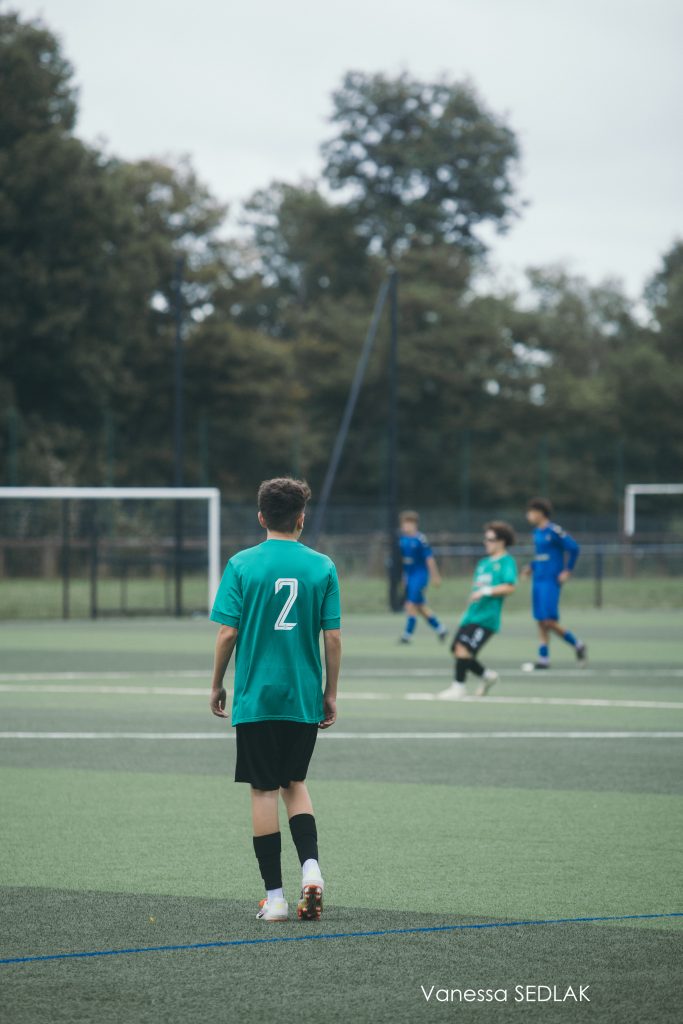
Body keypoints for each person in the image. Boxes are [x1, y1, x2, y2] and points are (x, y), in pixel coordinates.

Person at [209, 477, 342, 923]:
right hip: (303, 694)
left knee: (263, 789)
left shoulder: (242, 564)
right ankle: (313, 869)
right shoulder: (323, 566)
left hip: (256, 696)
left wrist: (216, 684)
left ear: (262, 516)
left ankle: (277, 899)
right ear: (301, 519)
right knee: (295, 784)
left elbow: (228, 632)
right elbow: (334, 637)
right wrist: (330, 692)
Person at [438, 521, 517, 699]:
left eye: (491, 539)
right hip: (472, 615)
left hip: (487, 618)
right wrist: (465, 613)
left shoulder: (506, 562)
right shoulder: (483, 563)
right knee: (456, 649)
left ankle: (458, 687)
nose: (486, 542)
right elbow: (476, 592)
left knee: (463, 649)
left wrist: (487, 591)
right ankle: (486, 676)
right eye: (486, 539)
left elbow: (510, 587)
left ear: (502, 541)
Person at [523, 497, 587, 669]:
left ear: (539, 513)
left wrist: (567, 570)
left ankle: (577, 644)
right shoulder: (537, 533)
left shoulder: (554, 531)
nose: (528, 516)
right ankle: (543, 658)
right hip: (538, 579)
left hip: (551, 580)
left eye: (530, 512)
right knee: (540, 620)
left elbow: (574, 548)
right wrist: (531, 567)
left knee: (549, 621)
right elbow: (541, 557)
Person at [397, 510, 448, 643]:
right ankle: (441, 629)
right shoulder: (402, 540)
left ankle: (406, 635)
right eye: (404, 524)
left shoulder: (420, 539)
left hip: (420, 577)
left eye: (408, 524)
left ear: (415, 525)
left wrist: (435, 576)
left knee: (410, 604)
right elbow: (405, 561)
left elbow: (429, 559)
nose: (405, 527)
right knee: (420, 607)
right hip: (410, 576)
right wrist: (404, 577)